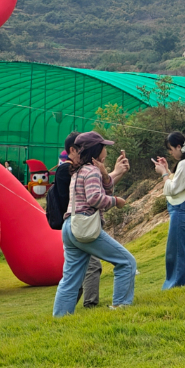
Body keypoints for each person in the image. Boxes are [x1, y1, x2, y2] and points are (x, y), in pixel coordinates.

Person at [52, 131, 137, 316]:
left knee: (70, 280)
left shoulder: (78, 170)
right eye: (103, 147)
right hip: (85, 227)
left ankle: (59, 319)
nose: (106, 151)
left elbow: (102, 190)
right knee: (127, 262)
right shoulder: (91, 171)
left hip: (70, 226)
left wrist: (105, 175)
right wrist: (116, 201)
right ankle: (121, 308)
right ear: (95, 150)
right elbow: (95, 198)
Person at [157, 131, 185, 290]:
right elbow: (179, 182)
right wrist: (167, 169)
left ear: (178, 147)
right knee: (183, 248)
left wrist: (163, 173)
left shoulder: (184, 164)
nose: (170, 153)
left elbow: (172, 189)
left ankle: (176, 285)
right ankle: (184, 282)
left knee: (175, 250)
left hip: (182, 209)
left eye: (171, 149)